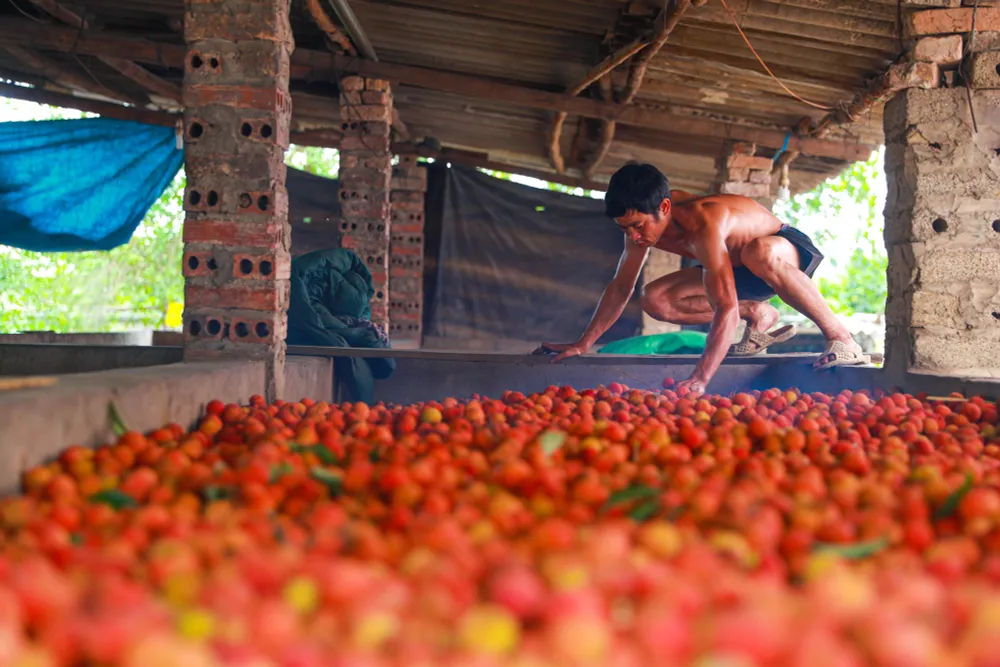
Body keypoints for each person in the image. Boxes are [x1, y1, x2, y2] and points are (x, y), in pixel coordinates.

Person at [536, 162, 869, 395]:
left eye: (638, 226)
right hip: (738, 272)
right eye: (625, 229)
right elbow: (622, 286)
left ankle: (842, 339)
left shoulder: (705, 223)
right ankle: (755, 312)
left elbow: (723, 306)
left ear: (664, 207)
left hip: (783, 251)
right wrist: (584, 343)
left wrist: (701, 378)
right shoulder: (638, 229)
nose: (634, 236)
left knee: (758, 253)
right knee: (656, 299)